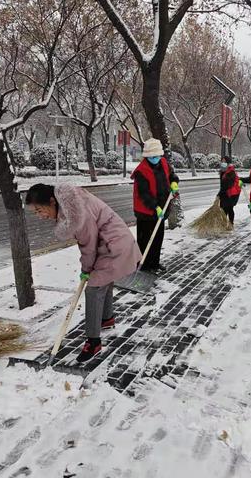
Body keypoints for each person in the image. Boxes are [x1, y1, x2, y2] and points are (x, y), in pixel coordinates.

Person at [25, 183, 142, 362]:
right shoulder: (71, 203)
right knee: (104, 280)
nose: (40, 216)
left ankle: (93, 342)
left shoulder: (77, 215)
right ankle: (107, 319)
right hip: (114, 241)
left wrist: (86, 269)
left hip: (113, 246)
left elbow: (88, 246)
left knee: (93, 288)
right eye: (36, 213)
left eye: (40, 210)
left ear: (52, 201)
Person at [131, 138, 179, 272]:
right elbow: (144, 194)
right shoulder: (141, 171)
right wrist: (155, 207)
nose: (155, 158)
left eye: (157, 156)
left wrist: (174, 182)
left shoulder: (163, 163)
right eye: (152, 156)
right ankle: (143, 266)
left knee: (157, 238)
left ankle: (154, 263)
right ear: (147, 156)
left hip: (162, 209)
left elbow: (172, 175)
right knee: (145, 240)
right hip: (146, 212)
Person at [218, 156, 241, 225]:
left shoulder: (231, 172)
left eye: (224, 161)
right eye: (222, 161)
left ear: (228, 163)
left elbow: (228, 185)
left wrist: (219, 194)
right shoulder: (223, 171)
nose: (223, 163)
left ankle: (230, 224)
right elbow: (222, 185)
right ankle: (225, 224)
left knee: (228, 209)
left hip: (231, 194)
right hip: (226, 193)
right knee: (224, 209)